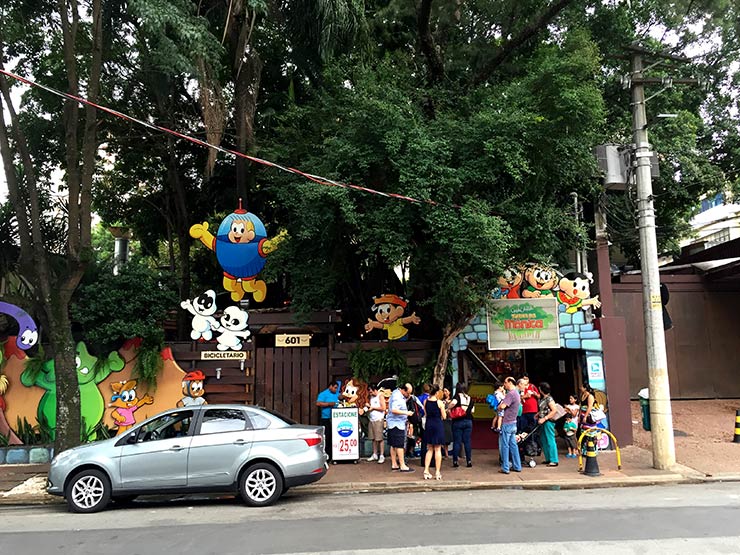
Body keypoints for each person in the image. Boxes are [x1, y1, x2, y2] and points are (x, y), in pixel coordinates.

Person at [386, 382, 415, 473]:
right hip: (397, 424)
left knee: (393, 444)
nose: (408, 395)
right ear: (403, 390)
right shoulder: (397, 397)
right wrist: (407, 413)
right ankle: (402, 465)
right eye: (408, 393)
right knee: (399, 445)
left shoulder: (396, 394)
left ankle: (394, 464)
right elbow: (394, 410)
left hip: (393, 423)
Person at [497, 376, 522, 474]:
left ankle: (505, 467)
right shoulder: (516, 393)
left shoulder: (510, 394)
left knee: (505, 446)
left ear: (510, 383)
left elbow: (502, 406)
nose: (504, 384)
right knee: (513, 446)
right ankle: (517, 466)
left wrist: (499, 406)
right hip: (513, 422)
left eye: (505, 382)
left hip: (507, 423)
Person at [422, 384, 446, 480]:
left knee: (429, 448)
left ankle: (426, 470)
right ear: (436, 393)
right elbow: (444, 416)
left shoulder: (425, 401)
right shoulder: (440, 403)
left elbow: (426, 413)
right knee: (437, 449)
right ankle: (437, 472)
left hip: (429, 424)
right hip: (437, 425)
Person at [448, 382, 474, 468]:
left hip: (458, 421)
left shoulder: (457, 397)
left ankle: (455, 461)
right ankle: (469, 461)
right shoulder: (470, 398)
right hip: (468, 421)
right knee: (467, 441)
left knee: (457, 442)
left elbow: (453, 403)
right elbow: (473, 411)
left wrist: (448, 407)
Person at [316, 380, 340, 461]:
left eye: (337, 388)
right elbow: (318, 403)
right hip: (326, 418)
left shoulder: (337, 394)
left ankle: (334, 454)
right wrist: (329, 404)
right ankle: (327, 454)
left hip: (336, 418)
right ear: (330, 386)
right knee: (327, 436)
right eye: (335, 388)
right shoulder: (323, 394)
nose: (336, 390)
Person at [536, 381, 559, 467]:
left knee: (550, 440)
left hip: (548, 422)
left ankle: (554, 459)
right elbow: (544, 409)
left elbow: (554, 410)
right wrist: (538, 414)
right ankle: (548, 458)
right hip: (542, 421)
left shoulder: (549, 399)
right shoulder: (543, 399)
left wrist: (545, 418)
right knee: (544, 440)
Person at [365, 383, 386, 464]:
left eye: (371, 391)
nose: (370, 393)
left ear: (374, 390)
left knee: (379, 438)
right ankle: (374, 454)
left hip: (378, 419)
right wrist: (369, 405)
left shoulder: (380, 396)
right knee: (373, 438)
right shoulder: (371, 397)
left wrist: (373, 408)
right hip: (372, 419)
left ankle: (381, 455)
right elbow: (372, 406)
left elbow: (383, 408)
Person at [440, 387, 453, 458]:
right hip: (443, 420)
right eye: (444, 391)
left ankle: (447, 452)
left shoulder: (452, 402)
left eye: (446, 391)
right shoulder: (441, 401)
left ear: (449, 392)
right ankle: (445, 453)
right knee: (444, 437)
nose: (445, 392)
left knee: (448, 438)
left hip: (450, 420)